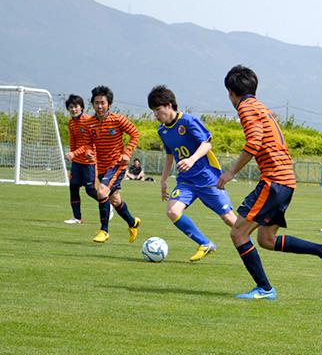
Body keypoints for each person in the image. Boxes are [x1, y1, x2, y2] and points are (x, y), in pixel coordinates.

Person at [216, 65, 322, 300]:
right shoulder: (261, 107)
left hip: (274, 181)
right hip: (285, 181)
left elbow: (253, 143)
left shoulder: (245, 106)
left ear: (231, 92)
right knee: (266, 240)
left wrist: (230, 172)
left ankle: (265, 289)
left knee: (238, 234)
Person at [148, 85, 237, 262]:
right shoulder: (162, 130)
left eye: (158, 110)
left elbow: (207, 144)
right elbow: (169, 155)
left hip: (208, 179)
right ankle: (205, 243)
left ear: (169, 105)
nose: (156, 115)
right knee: (173, 212)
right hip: (186, 181)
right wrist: (164, 180)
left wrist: (191, 159)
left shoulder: (188, 121)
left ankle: (251, 245)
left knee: (229, 219)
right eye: (153, 111)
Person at [69, 86, 141, 243]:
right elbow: (88, 144)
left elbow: (135, 134)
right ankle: (132, 222)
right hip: (101, 167)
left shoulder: (118, 119)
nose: (99, 106)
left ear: (109, 104)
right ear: (92, 104)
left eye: (102, 103)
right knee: (115, 201)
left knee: (101, 193)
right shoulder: (89, 123)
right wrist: (88, 152)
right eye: (96, 103)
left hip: (117, 164)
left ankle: (104, 230)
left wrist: (127, 153)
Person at [63, 94, 97, 224]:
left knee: (90, 190)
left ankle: (107, 204)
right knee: (73, 187)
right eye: (71, 107)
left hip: (89, 162)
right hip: (77, 162)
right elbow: (73, 141)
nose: (73, 109)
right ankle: (77, 217)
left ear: (82, 107)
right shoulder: (71, 123)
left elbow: (87, 143)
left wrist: (74, 153)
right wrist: (73, 156)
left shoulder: (88, 121)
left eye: (76, 106)